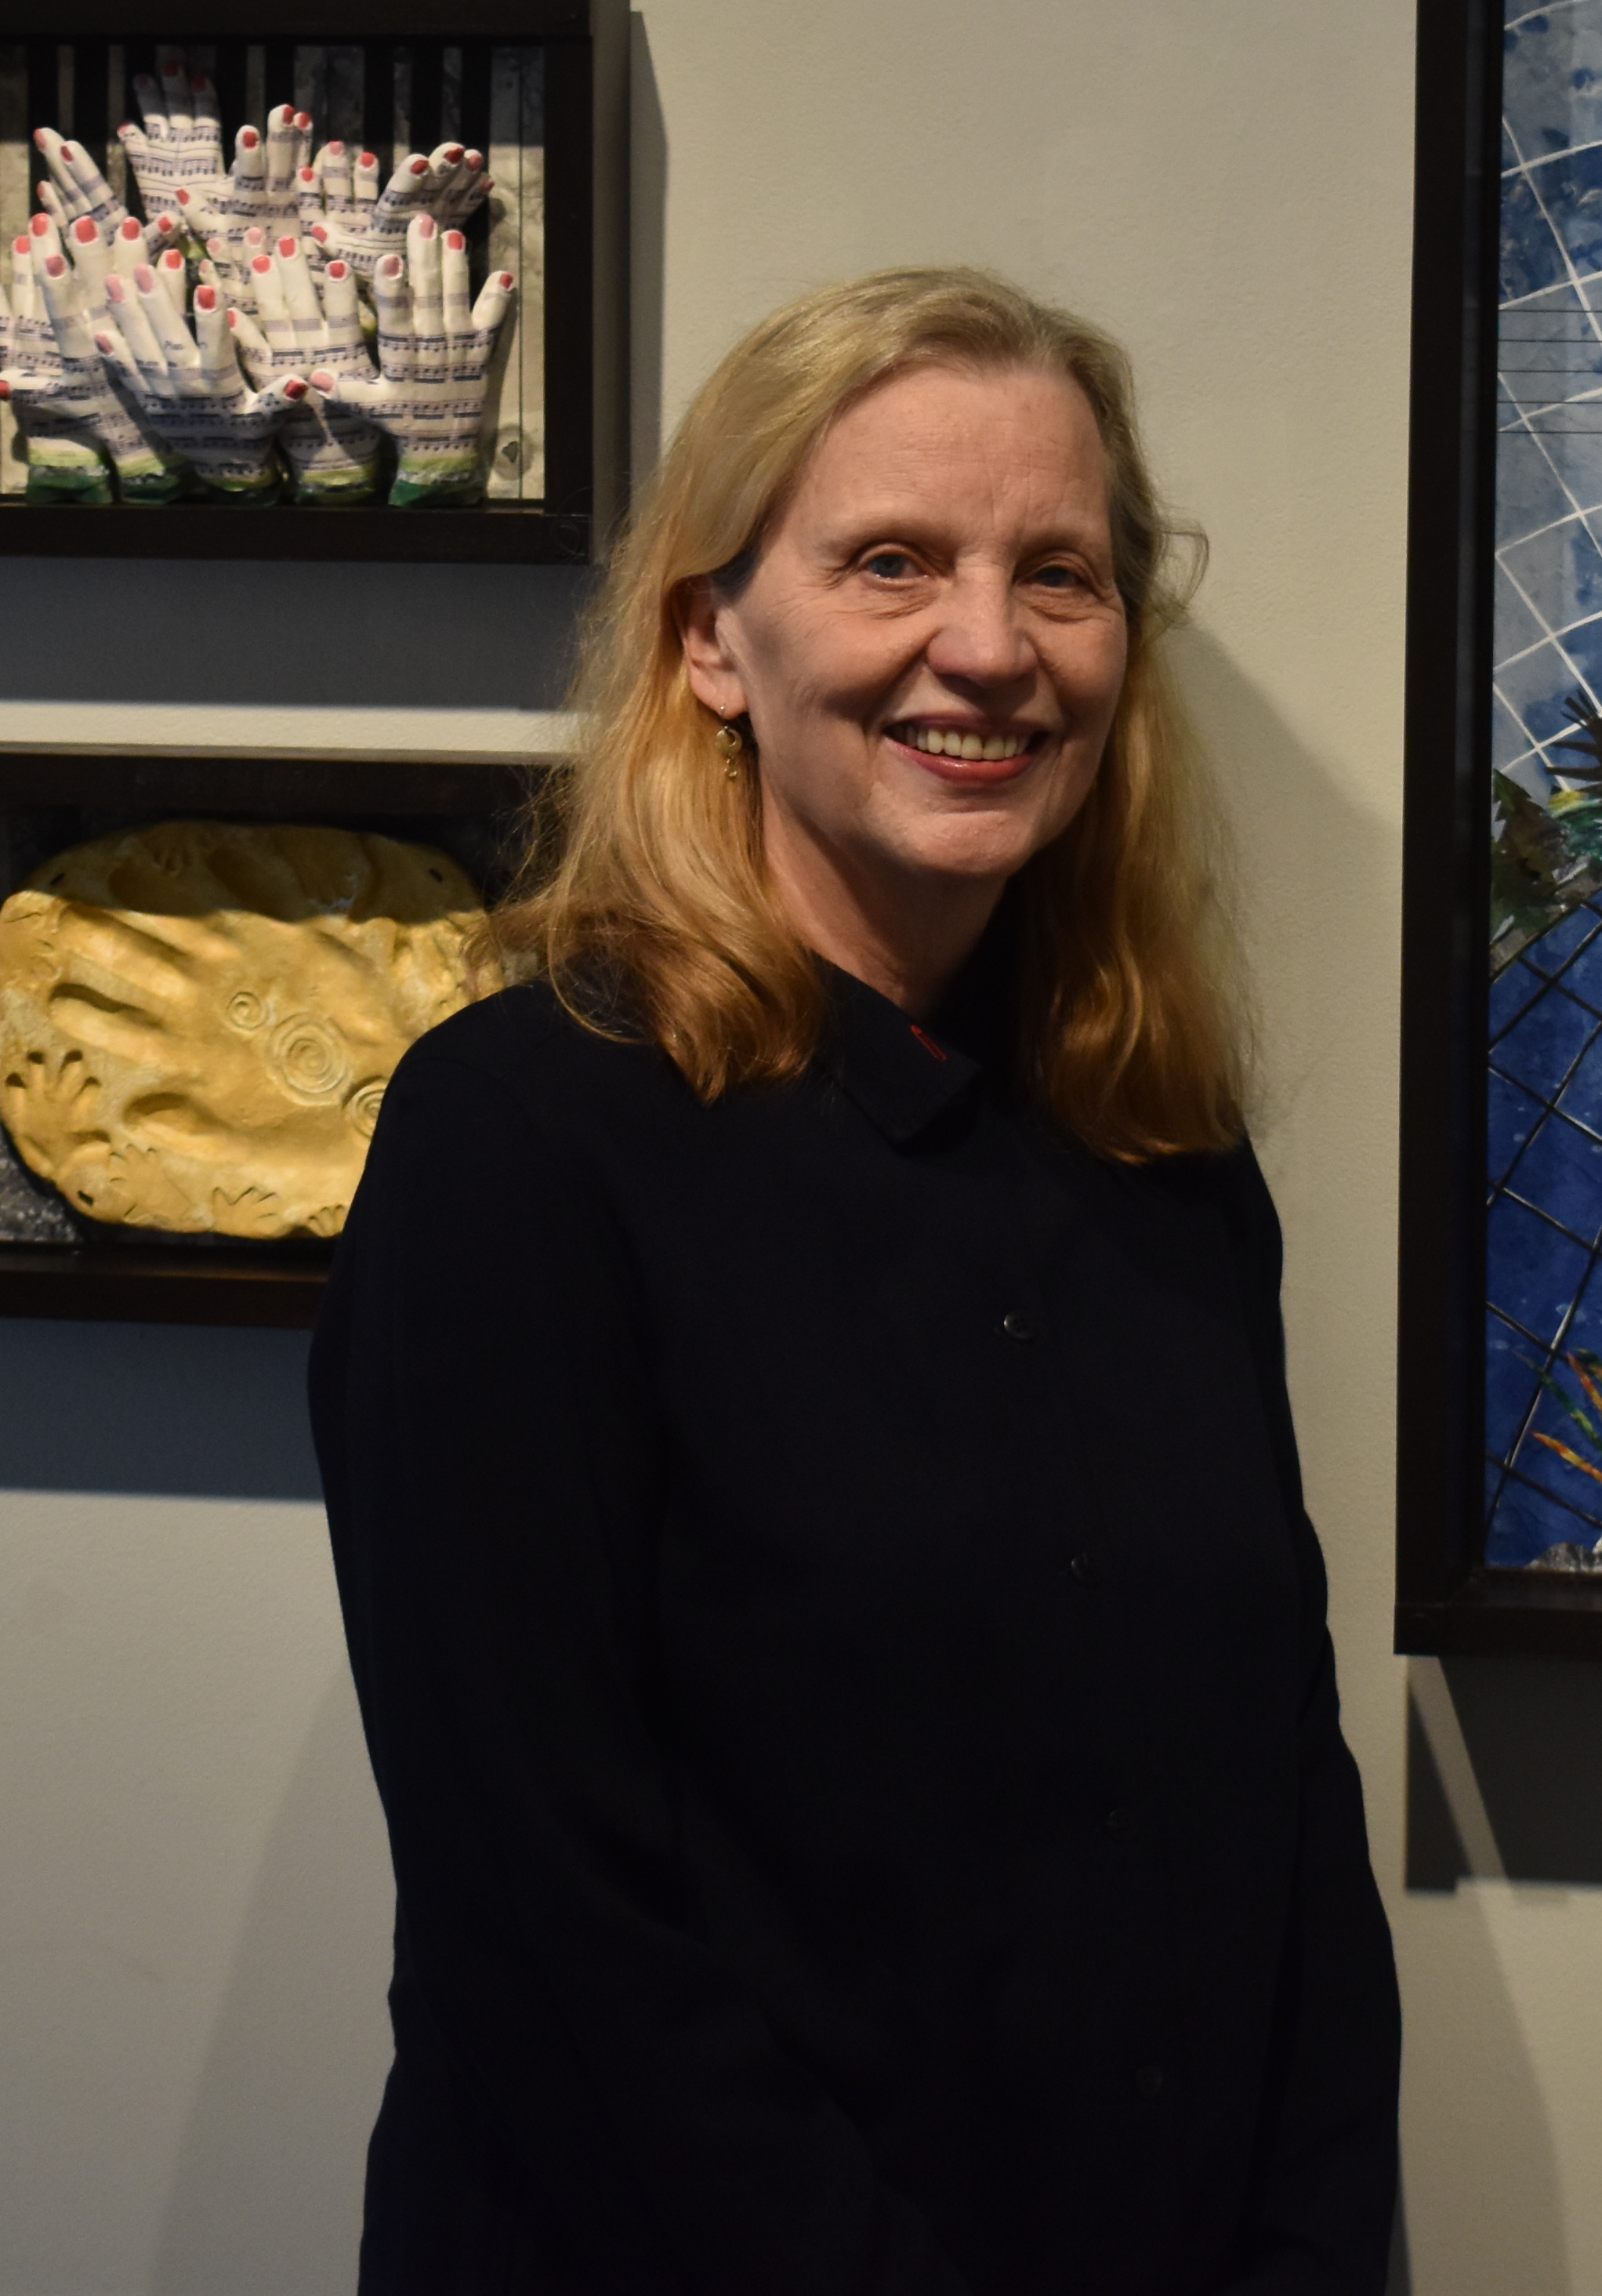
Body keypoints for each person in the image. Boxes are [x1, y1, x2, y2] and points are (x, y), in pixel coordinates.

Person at [306, 268, 1399, 2294]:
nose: (985, 650)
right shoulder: (523, 1145)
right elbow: (548, 1929)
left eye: (1055, 575)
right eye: (891, 561)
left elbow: (1284, 1821)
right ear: (712, 637)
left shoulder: (1154, 1145)